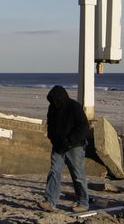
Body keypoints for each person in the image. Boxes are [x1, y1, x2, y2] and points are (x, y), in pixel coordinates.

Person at [38, 85, 90, 213]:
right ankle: (50, 201)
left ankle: (83, 202)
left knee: (78, 175)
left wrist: (69, 141)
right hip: (57, 147)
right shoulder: (52, 108)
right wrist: (53, 139)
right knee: (54, 172)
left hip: (75, 146)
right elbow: (50, 125)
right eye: (52, 100)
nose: (54, 102)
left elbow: (83, 127)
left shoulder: (74, 106)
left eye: (55, 99)